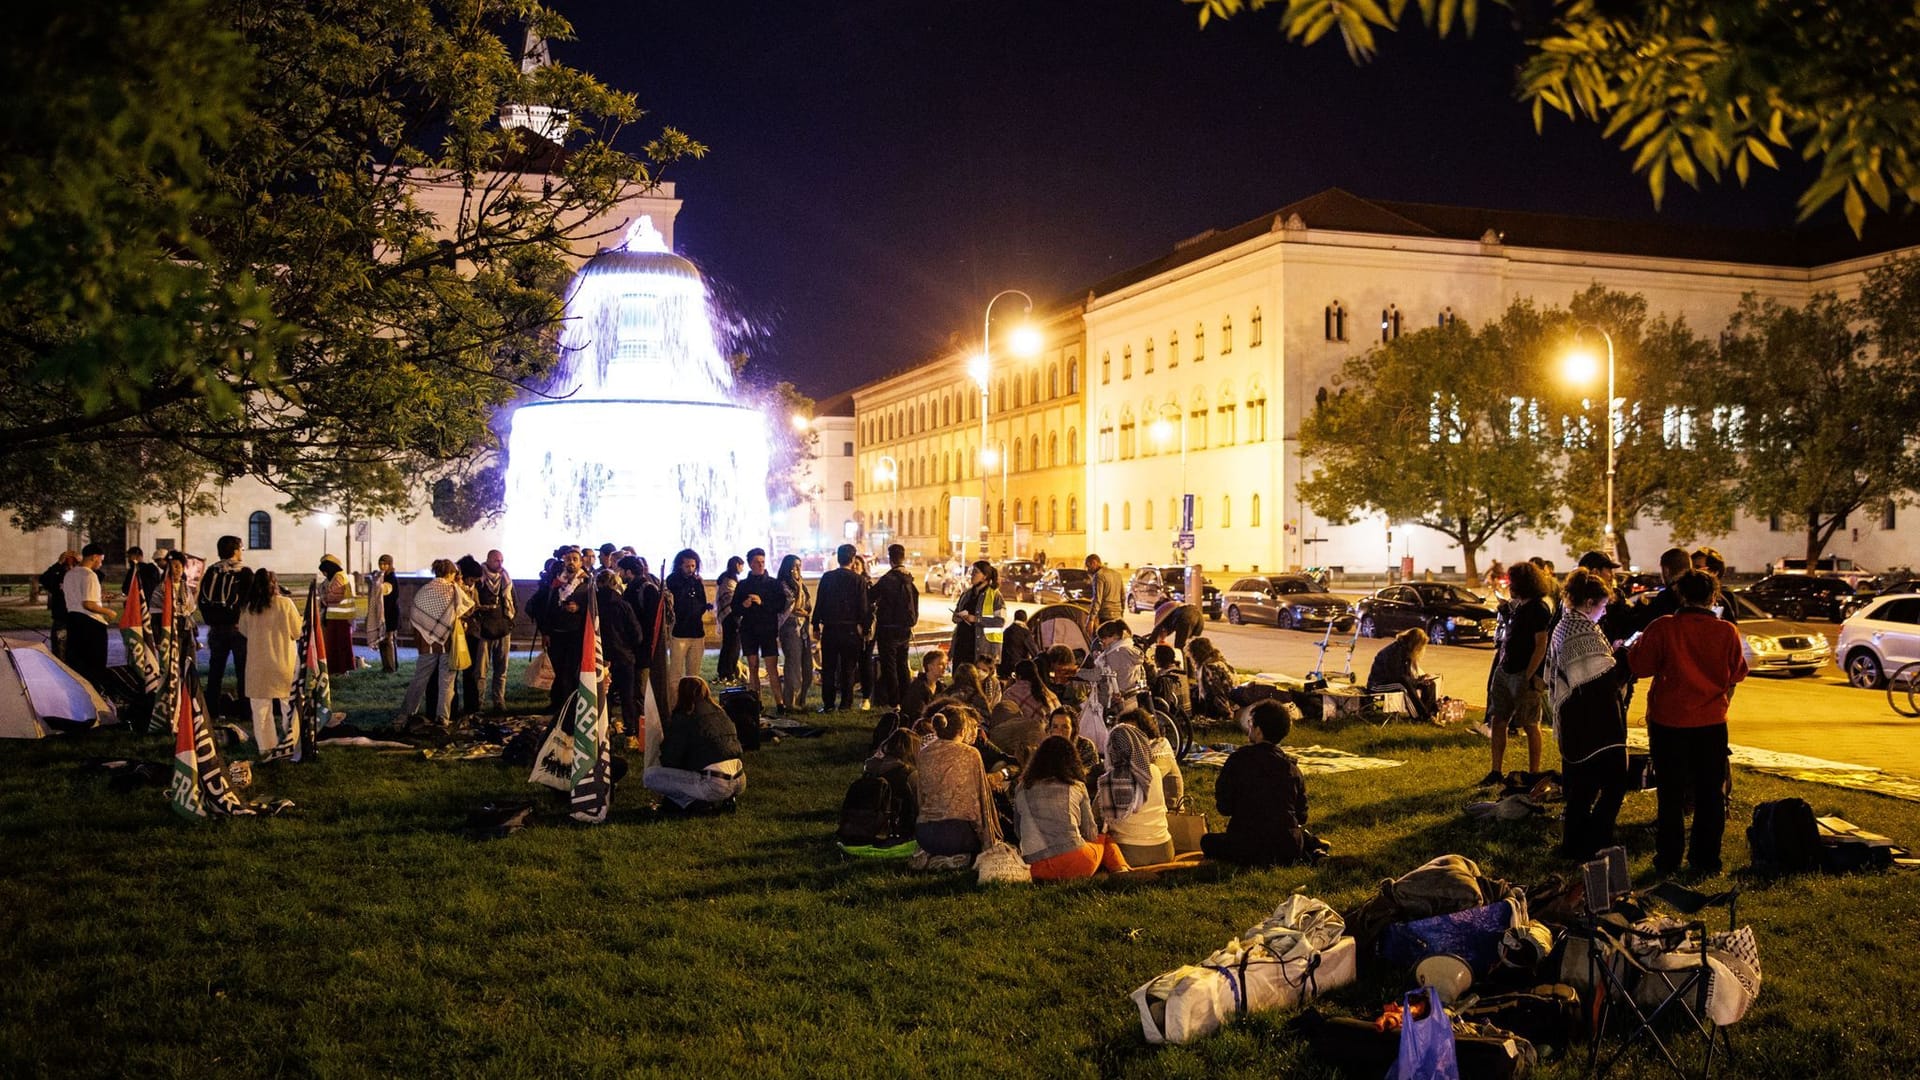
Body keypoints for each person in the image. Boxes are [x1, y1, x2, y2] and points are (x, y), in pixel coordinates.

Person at [1628, 569, 1749, 877]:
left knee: (1670, 793)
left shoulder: (1663, 628)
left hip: (1669, 722)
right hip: (1710, 723)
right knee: (1710, 794)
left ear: (1681, 594)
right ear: (1713, 597)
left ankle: (1668, 858)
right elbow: (1737, 673)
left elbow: (1639, 666)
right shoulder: (1726, 632)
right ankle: (1705, 859)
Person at [1548, 568, 1634, 861]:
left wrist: (1611, 652)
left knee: (1582, 789)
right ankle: (1594, 841)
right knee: (1614, 783)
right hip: (1595, 724)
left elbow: (1588, 667)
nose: (1603, 611)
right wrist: (1623, 656)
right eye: (1601, 605)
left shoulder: (1565, 624)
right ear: (1588, 603)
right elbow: (1604, 679)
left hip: (1576, 721)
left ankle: (1574, 844)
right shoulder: (1581, 629)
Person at [1200, 700, 1316, 865]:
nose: (1249, 728)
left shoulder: (1238, 760)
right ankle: (1312, 847)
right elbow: (1301, 816)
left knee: (1207, 841)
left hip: (1245, 846)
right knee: (1298, 835)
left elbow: (1224, 807)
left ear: (1259, 731)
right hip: (1288, 849)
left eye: (1251, 724)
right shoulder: (1291, 768)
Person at [1014, 736, 1129, 880]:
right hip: (1077, 863)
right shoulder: (1077, 786)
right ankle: (1121, 871)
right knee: (1105, 839)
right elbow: (1090, 833)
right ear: (1072, 761)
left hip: (1036, 869)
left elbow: (1018, 831)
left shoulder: (1021, 788)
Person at [1483, 560, 1551, 785]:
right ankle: (1495, 771)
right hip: (1505, 669)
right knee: (1498, 719)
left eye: (1512, 581)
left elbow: (1541, 644)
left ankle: (1533, 773)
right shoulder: (1519, 605)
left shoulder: (1539, 608)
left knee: (1531, 724)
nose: (1509, 584)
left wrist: (1529, 675)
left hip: (1523, 672)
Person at [914, 706, 1002, 861]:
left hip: (924, 834)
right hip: (957, 834)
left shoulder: (924, 754)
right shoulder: (970, 754)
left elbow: (921, 797)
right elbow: (981, 800)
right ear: (962, 730)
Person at [645, 677, 746, 810]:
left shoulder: (684, 717)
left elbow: (670, 759)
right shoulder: (720, 713)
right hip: (740, 779)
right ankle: (721, 799)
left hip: (714, 783)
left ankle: (693, 803)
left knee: (651, 776)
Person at [237, 568, 303, 760]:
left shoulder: (249, 607)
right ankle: (292, 742)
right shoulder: (285, 604)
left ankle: (266, 747)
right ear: (275, 584)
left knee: (260, 709)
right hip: (284, 662)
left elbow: (244, 630)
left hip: (258, 663)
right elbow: (297, 632)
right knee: (288, 705)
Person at [399, 559, 471, 729]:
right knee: (447, 682)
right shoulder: (453, 590)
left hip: (426, 643)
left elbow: (416, 615)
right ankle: (443, 718)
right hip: (447, 643)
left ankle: (406, 714)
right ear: (451, 573)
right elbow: (466, 607)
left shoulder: (424, 590)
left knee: (419, 680)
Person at [1097, 722, 1175, 867]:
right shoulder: (1154, 771)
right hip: (1165, 850)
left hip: (1129, 854)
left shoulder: (1109, 780)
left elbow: (1097, 820)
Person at [813, 544, 870, 713]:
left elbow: (820, 602)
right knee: (848, 668)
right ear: (852, 560)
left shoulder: (827, 578)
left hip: (830, 629)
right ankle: (846, 703)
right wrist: (865, 629)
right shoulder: (858, 580)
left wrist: (815, 624)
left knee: (829, 668)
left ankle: (829, 703)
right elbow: (864, 608)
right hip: (850, 630)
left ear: (838, 558)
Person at [732, 548, 788, 709]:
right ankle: (756, 701)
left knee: (772, 667)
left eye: (762, 562)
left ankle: (780, 702)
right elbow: (735, 609)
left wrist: (762, 602)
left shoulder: (773, 584)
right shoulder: (743, 585)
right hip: (749, 630)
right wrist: (744, 604)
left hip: (767, 629)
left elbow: (780, 605)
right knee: (753, 665)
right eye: (757, 562)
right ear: (750, 564)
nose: (760, 565)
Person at [199, 535, 249, 701]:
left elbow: (202, 600)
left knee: (216, 670)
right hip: (238, 628)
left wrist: (212, 621)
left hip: (216, 629)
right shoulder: (244, 572)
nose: (242, 552)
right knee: (242, 670)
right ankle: (244, 706)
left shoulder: (212, 571)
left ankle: (212, 706)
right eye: (241, 549)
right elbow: (250, 600)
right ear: (235, 551)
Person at [596, 570, 645, 739]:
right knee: (627, 696)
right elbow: (636, 634)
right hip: (624, 657)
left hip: (601, 657)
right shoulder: (623, 605)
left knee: (604, 695)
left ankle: (604, 730)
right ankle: (630, 733)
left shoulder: (593, 607)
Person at [870, 544, 920, 708]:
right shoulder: (909, 578)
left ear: (890, 559)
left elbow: (870, 596)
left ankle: (894, 701)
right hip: (904, 628)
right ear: (903, 558)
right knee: (902, 663)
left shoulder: (888, 579)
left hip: (888, 628)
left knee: (889, 666)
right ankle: (906, 698)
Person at [543, 548, 592, 710]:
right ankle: (556, 703)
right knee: (558, 669)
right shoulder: (557, 582)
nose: (571, 562)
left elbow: (593, 609)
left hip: (575, 633)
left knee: (570, 670)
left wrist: (579, 608)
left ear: (581, 562)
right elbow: (548, 608)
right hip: (557, 633)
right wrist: (546, 632)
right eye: (568, 559)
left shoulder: (587, 583)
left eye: (575, 559)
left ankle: (569, 705)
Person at [61, 544, 115, 690]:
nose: (101, 563)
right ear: (94, 557)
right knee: (94, 666)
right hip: (91, 624)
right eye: (101, 560)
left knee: (77, 665)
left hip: (73, 620)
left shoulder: (70, 574)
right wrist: (108, 612)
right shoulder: (90, 575)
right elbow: (89, 604)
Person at [989, 659, 1058, 767]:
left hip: (1021, 751)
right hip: (1049, 746)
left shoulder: (1010, 693)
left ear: (1018, 676)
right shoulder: (1050, 694)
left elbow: (1003, 721)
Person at [473, 550, 516, 713]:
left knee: (501, 668)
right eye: (497, 561)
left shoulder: (506, 579)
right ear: (488, 560)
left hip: (503, 628)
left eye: (502, 560)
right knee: (481, 670)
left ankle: (499, 701)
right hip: (485, 630)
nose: (500, 564)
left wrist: (510, 621)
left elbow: (513, 602)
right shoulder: (480, 579)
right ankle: (479, 702)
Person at [1367, 627, 1439, 721]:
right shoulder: (1394, 651)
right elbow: (1396, 676)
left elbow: (1406, 675)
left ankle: (1429, 712)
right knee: (1404, 686)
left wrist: (1420, 680)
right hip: (1378, 684)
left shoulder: (1405, 651)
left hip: (1396, 680)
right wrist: (1414, 682)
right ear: (1415, 644)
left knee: (1429, 684)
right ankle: (1419, 716)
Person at [777, 554, 815, 713]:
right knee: (793, 666)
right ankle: (790, 702)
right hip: (790, 628)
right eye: (794, 566)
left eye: (799, 565)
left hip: (803, 628)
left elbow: (807, 608)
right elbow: (790, 606)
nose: (798, 569)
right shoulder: (783, 585)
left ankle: (801, 700)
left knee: (808, 665)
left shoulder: (802, 584)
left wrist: (804, 612)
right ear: (788, 568)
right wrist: (798, 589)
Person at [663, 549, 709, 681]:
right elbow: (677, 601)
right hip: (679, 632)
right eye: (687, 566)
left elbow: (702, 602)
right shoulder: (673, 580)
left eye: (693, 566)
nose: (690, 569)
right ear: (680, 565)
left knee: (694, 674)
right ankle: (674, 700)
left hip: (696, 631)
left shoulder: (697, 581)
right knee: (675, 672)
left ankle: (691, 700)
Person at [949, 560, 1005, 667]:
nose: (972, 575)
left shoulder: (995, 596)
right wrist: (957, 617)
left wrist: (976, 619)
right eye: (972, 572)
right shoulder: (966, 594)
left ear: (985, 576)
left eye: (975, 572)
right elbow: (956, 613)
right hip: (961, 645)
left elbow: (1000, 621)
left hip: (981, 649)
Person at [1045, 704, 1102, 787]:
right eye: (1055, 727)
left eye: (1065, 727)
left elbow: (1088, 776)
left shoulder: (1085, 746)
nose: (1059, 731)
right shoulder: (1046, 748)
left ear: (1073, 729)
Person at [317, 554, 356, 676]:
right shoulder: (338, 577)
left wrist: (323, 598)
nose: (324, 575)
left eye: (324, 572)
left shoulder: (338, 578)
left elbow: (335, 596)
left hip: (340, 617)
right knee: (335, 644)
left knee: (340, 645)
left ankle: (342, 669)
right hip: (337, 616)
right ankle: (337, 669)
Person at [1187, 637, 1239, 724]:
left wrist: (1226, 715)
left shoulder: (1208, 667)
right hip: (1235, 704)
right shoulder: (1220, 661)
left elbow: (1215, 694)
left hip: (1225, 708)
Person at [38, 551, 78, 659]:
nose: (70, 567)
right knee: (60, 653)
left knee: (77, 655)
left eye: (73, 564)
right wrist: (58, 563)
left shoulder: (81, 577)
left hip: (78, 621)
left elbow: (99, 575)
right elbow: (43, 579)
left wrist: (81, 562)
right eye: (67, 564)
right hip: (61, 620)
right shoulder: (57, 578)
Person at [365, 555, 401, 672]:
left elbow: (388, 593)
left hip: (390, 614)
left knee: (389, 640)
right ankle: (385, 666)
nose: (382, 566)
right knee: (382, 640)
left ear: (390, 564)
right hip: (381, 614)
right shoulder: (380, 576)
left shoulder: (391, 577)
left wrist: (376, 583)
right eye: (381, 564)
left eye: (385, 564)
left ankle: (391, 667)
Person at [714, 555, 745, 683]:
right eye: (741, 565)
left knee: (728, 645)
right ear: (737, 565)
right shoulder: (730, 580)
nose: (742, 568)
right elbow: (732, 599)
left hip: (728, 616)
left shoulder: (726, 578)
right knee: (733, 645)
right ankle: (728, 672)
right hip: (732, 616)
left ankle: (724, 672)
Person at [899, 649, 948, 723]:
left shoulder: (941, 687)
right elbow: (917, 715)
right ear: (930, 667)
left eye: (945, 664)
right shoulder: (918, 688)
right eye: (940, 664)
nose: (945, 667)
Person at [1084, 553, 1125, 634]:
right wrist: (1121, 612)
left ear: (1094, 563)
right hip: (1118, 615)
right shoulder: (1117, 574)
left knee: (1104, 641)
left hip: (1106, 615)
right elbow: (1123, 596)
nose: (1088, 570)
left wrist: (1091, 619)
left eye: (1088, 566)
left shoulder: (1099, 576)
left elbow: (1097, 599)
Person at [997, 609, 1035, 678]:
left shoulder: (1006, 631)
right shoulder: (1025, 633)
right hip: (1018, 668)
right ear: (1025, 620)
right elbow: (1034, 651)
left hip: (1004, 668)